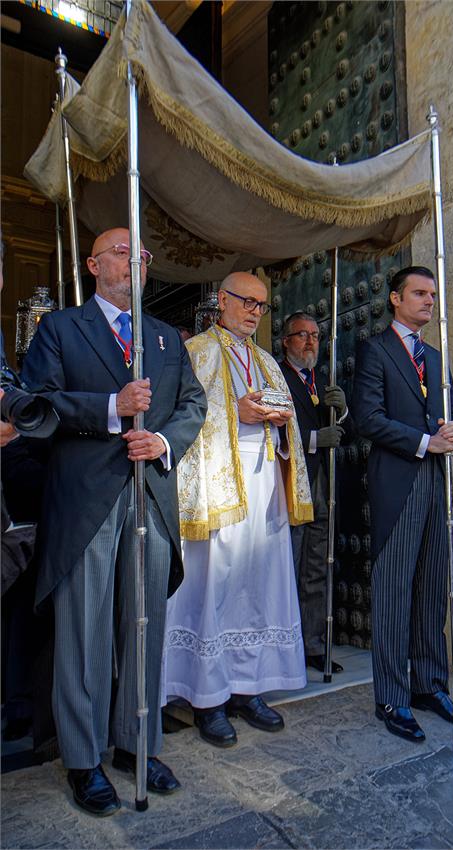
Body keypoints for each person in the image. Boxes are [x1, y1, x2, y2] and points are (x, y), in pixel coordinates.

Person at [21, 227, 207, 816]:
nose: (135, 262)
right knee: (85, 632)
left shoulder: (164, 336)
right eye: (122, 252)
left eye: (142, 254)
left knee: (143, 626)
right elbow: (36, 404)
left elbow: (193, 403)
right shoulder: (60, 329)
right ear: (94, 264)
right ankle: (84, 759)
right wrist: (110, 408)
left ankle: (136, 742)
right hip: (86, 500)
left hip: (150, 493)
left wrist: (162, 440)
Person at [162, 272, 313, 748]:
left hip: (264, 484)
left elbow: (286, 425)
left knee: (258, 588)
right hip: (216, 488)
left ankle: (249, 687)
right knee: (216, 589)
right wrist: (237, 412)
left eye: (261, 305)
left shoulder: (267, 361)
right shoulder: (195, 352)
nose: (253, 311)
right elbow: (179, 418)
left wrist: (281, 423)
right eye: (246, 301)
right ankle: (208, 698)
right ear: (221, 301)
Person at [352, 266, 453, 743]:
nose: (429, 301)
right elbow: (368, 419)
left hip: (437, 486)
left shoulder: (436, 356)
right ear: (395, 298)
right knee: (393, 593)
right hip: (398, 484)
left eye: (432, 294)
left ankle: (429, 685)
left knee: (431, 590)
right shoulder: (374, 350)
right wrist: (426, 441)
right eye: (420, 293)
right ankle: (392, 696)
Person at [280, 312, 350, 673]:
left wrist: (343, 410)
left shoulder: (324, 383)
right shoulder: (276, 376)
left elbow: (346, 433)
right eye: (302, 335)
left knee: (316, 568)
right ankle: (284, 647)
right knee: (288, 566)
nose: (310, 342)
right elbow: (272, 431)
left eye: (315, 336)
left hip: (322, 485)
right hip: (291, 486)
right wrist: (311, 440)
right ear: (285, 342)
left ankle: (313, 644)